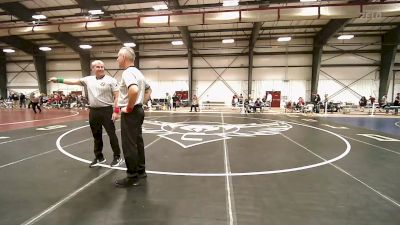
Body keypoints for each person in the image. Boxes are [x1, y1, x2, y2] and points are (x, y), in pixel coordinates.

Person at [48, 60, 122, 168]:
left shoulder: (111, 80)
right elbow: (73, 81)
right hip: (94, 111)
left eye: (102, 67)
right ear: (93, 69)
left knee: (112, 135)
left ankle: (117, 157)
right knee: (96, 136)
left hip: (107, 110)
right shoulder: (88, 79)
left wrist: (116, 111)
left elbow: (117, 95)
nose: (101, 68)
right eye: (98, 67)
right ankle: (99, 157)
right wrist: (58, 80)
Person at [114, 47, 152, 187]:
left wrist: (129, 107)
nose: (117, 59)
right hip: (139, 111)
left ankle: (132, 176)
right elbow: (148, 89)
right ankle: (141, 171)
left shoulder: (127, 73)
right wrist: (141, 102)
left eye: (118, 57)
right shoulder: (138, 73)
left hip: (131, 113)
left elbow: (134, 89)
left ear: (123, 57)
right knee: (138, 142)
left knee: (129, 145)